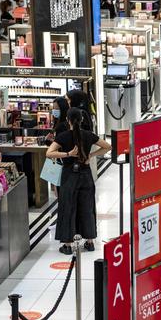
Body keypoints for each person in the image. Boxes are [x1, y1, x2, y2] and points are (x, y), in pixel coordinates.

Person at [46, 109, 112, 254]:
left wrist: (68, 154)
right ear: (82, 120)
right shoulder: (88, 135)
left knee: (68, 207)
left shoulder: (63, 136)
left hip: (69, 175)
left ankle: (68, 245)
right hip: (86, 174)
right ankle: (89, 242)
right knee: (87, 207)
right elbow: (108, 146)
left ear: (68, 120)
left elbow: (49, 153)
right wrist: (91, 154)